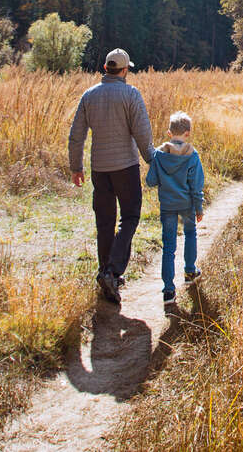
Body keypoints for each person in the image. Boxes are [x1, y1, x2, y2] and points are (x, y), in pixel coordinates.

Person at [69, 48, 155, 305]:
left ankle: (105, 273)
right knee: (130, 216)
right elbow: (142, 132)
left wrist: (76, 167)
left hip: (99, 169)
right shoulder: (130, 94)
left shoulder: (89, 95)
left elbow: (76, 135)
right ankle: (112, 271)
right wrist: (153, 160)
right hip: (126, 167)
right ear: (125, 70)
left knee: (104, 221)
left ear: (106, 68)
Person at [146, 111, 205, 304]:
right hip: (187, 204)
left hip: (168, 205)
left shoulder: (159, 155)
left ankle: (168, 291)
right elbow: (196, 186)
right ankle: (189, 271)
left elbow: (151, 181)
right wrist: (199, 208)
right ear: (188, 133)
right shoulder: (192, 156)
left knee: (168, 246)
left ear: (169, 133)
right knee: (190, 234)